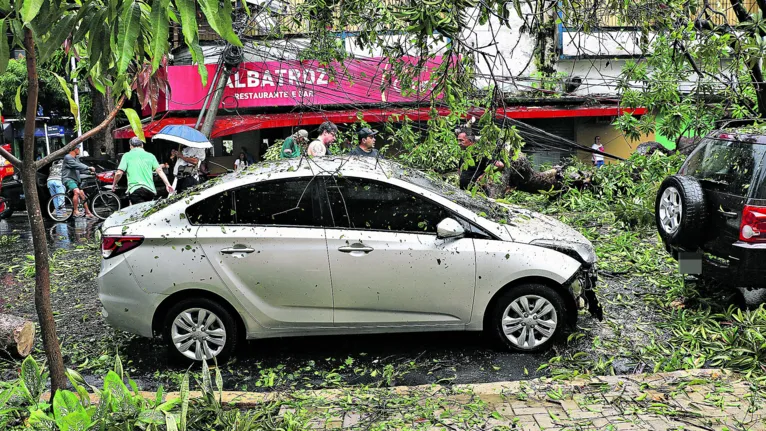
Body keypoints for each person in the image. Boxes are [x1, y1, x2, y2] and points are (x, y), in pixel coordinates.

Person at [112, 137, 173, 205]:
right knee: (146, 211)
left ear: (131, 146)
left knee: (139, 212)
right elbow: (160, 171)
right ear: (142, 145)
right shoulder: (151, 156)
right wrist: (168, 184)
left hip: (135, 189)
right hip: (150, 190)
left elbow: (118, 173)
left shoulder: (127, 156)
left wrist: (114, 184)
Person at [61, 146, 96, 218]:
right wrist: (88, 167)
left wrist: (89, 172)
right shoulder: (68, 157)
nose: (79, 150)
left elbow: (80, 168)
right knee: (76, 191)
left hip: (76, 180)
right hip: (68, 179)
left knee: (82, 194)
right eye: (79, 149)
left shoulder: (76, 158)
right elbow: (76, 165)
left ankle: (88, 212)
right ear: (75, 149)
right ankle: (75, 211)